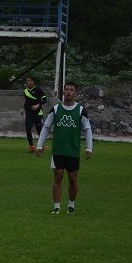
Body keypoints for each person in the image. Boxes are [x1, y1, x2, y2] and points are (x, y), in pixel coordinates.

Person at [36, 82, 93, 214]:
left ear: (75, 93)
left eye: (71, 90)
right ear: (63, 91)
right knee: (58, 176)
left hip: (73, 151)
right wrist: (39, 145)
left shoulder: (80, 110)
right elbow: (46, 127)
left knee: (72, 178)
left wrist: (89, 148)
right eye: (66, 89)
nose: (68, 92)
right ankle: (56, 207)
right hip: (58, 150)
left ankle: (71, 205)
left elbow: (88, 129)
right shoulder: (55, 109)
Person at [22, 76, 47, 152]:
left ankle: (41, 146)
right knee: (28, 129)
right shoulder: (25, 91)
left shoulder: (38, 89)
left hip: (38, 114)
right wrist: (24, 109)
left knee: (40, 131)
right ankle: (31, 147)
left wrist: (38, 105)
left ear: (33, 82)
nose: (27, 82)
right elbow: (27, 101)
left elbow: (45, 99)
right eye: (26, 80)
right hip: (29, 113)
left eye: (29, 80)